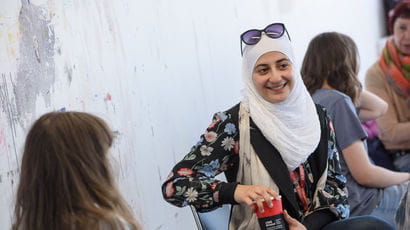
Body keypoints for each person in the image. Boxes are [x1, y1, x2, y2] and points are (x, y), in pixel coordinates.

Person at [162, 22, 352, 230]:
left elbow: (336, 186)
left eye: (282, 65)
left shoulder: (317, 116)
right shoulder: (234, 124)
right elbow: (175, 185)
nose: (275, 77)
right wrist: (236, 191)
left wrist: (307, 226)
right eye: (263, 70)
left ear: (293, 67)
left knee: (372, 226)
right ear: (249, 77)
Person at [301, 31, 410, 227]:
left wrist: (345, 86)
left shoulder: (313, 101)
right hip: (365, 203)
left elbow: (379, 108)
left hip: (338, 206)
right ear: (346, 63)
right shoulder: (338, 102)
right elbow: (365, 174)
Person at [11, 112, 141, 230]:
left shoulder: (25, 224)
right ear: (88, 165)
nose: (111, 162)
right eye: (103, 155)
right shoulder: (110, 225)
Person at [365, 0, 410, 173]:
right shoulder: (377, 73)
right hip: (402, 155)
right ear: (392, 28)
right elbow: (390, 132)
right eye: (402, 28)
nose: (407, 36)